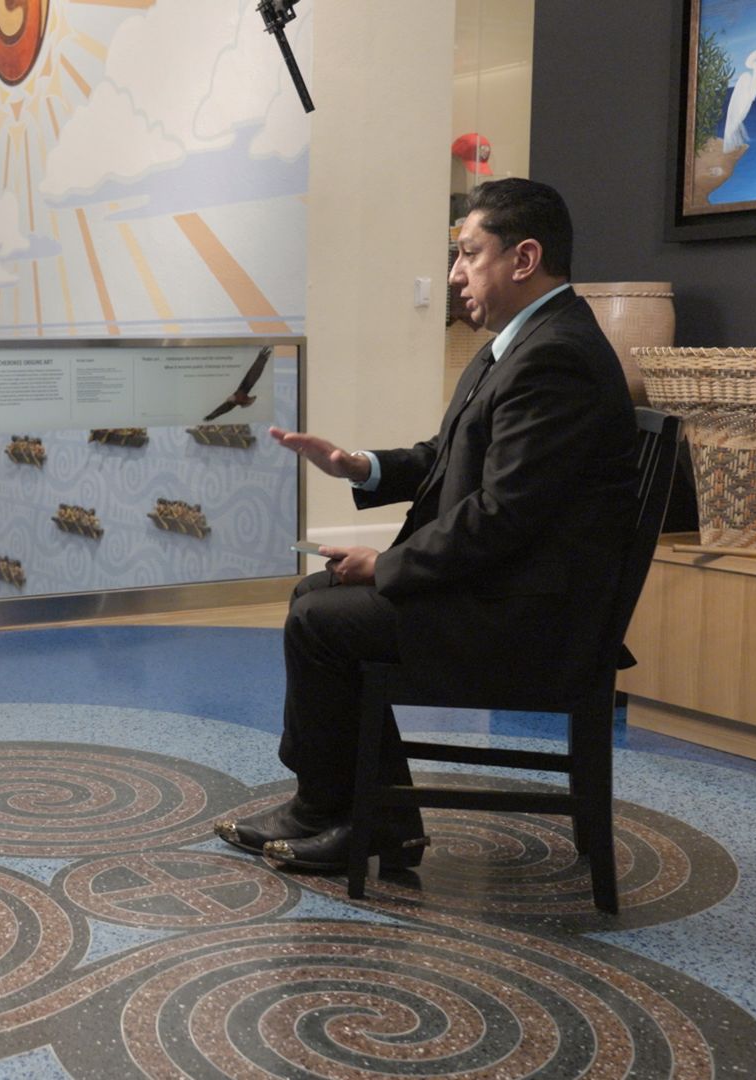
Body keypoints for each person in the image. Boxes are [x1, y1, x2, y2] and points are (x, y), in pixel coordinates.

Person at [217, 179, 639, 873]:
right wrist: (358, 466)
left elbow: (499, 517)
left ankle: (353, 815)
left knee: (319, 620)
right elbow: (452, 461)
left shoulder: (554, 357)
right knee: (315, 603)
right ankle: (350, 813)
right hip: (509, 593)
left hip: (530, 621)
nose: (454, 273)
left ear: (524, 257)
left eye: (469, 253)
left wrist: (385, 567)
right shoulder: (527, 340)